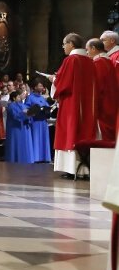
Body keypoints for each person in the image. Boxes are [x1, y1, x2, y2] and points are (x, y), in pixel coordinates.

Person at [51, 33, 96, 178]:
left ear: (71, 44)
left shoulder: (71, 60)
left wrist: (54, 80)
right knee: (82, 133)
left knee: (69, 132)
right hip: (88, 106)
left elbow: (64, 84)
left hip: (71, 104)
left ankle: (72, 169)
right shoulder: (90, 61)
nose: (63, 47)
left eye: (64, 44)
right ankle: (84, 169)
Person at [90, 38, 118, 141]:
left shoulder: (98, 63)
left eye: (88, 49)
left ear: (94, 49)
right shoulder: (109, 61)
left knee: (102, 136)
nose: (87, 52)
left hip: (103, 103)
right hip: (111, 100)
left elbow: (97, 86)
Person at [4, 87, 34, 164]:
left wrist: (30, 115)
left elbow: (27, 114)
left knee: (23, 145)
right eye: (18, 97)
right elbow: (15, 116)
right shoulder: (11, 106)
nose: (20, 98)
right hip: (15, 128)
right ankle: (15, 159)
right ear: (14, 98)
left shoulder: (22, 105)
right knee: (15, 145)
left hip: (23, 128)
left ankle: (25, 159)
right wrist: (24, 113)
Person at [25, 82, 53, 164]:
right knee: (36, 139)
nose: (41, 87)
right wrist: (36, 110)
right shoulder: (30, 97)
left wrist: (47, 110)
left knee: (44, 139)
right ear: (35, 87)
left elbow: (47, 107)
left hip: (43, 122)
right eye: (40, 85)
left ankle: (45, 157)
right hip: (35, 122)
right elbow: (27, 109)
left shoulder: (42, 98)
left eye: (42, 85)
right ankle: (36, 157)